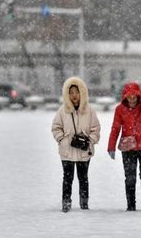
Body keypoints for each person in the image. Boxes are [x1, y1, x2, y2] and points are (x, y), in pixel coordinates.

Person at [51, 77, 100, 213]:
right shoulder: (63, 110)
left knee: (83, 177)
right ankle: (66, 202)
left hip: (84, 151)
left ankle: (84, 203)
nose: (74, 95)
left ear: (82, 93)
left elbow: (96, 128)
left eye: (76, 92)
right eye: (71, 92)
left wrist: (90, 140)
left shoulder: (90, 110)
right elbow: (56, 127)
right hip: (66, 150)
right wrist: (61, 139)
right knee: (67, 177)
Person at [107, 82, 141, 211]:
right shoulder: (120, 109)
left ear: (139, 95)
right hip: (128, 148)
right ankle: (131, 204)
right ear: (125, 97)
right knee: (130, 177)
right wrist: (111, 146)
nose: (132, 99)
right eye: (129, 97)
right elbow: (115, 128)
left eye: (135, 96)